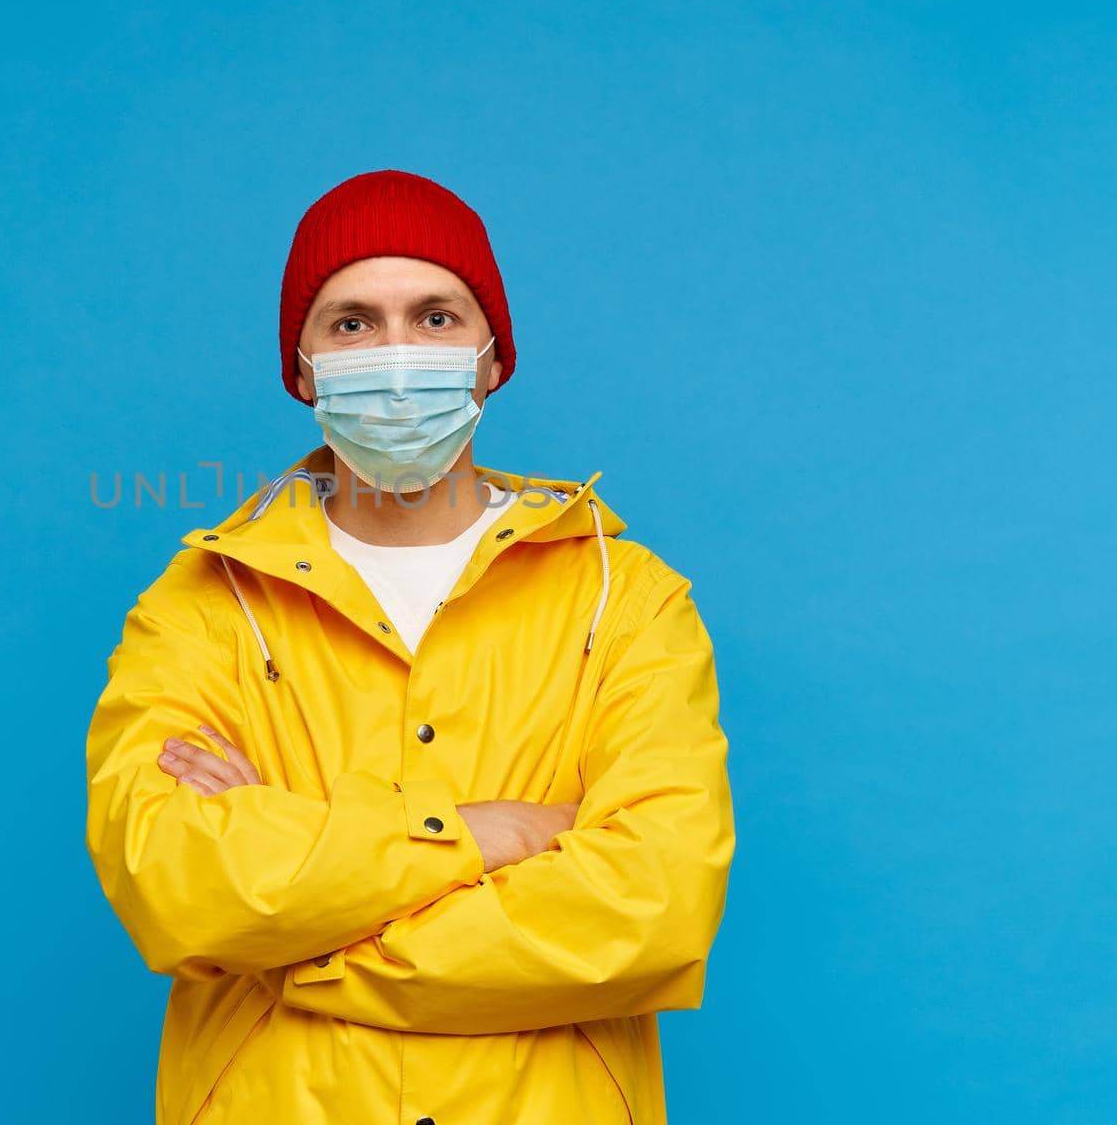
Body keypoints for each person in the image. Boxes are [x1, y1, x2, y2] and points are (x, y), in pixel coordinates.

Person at [84, 167, 736, 1125]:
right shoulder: (204, 607)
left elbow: (653, 909)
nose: (396, 356)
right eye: (352, 323)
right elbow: (178, 884)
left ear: (492, 358)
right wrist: (484, 835)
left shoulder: (623, 600)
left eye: (435, 317)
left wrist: (306, 941)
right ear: (302, 370)